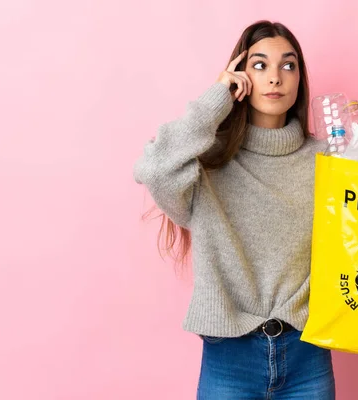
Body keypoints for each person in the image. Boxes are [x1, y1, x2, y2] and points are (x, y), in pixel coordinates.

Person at [133, 20, 335, 399]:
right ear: (239, 76)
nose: (275, 77)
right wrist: (215, 100)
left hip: (308, 355)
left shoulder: (329, 161)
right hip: (229, 359)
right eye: (259, 65)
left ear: (299, 80)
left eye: (287, 65)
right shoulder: (205, 163)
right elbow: (153, 169)